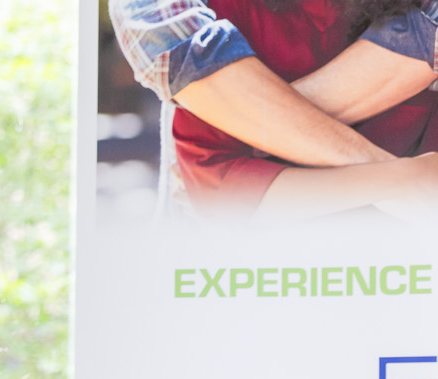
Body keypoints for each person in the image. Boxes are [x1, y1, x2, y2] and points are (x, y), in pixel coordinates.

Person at [112, 0, 438, 217]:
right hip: (252, 272)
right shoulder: (227, 12)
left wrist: (246, 131)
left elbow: (215, 169)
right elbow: (218, 189)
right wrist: (399, 178)